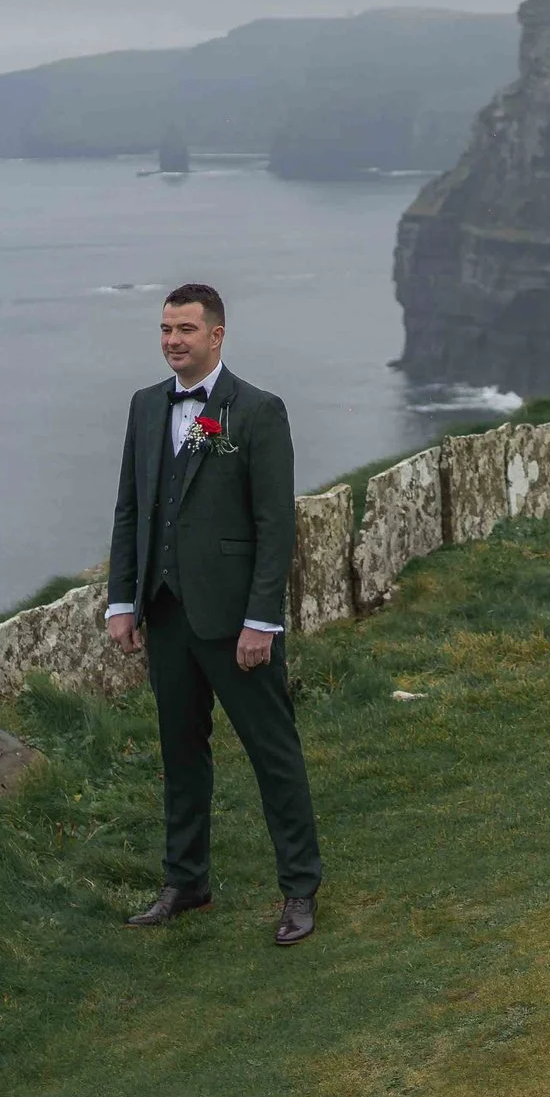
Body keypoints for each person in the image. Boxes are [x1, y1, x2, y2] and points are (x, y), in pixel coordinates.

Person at [106, 283, 323, 945]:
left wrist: (263, 619)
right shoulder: (148, 407)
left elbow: (272, 523)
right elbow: (131, 507)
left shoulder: (255, 411)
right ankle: (186, 879)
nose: (174, 340)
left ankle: (300, 887)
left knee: (272, 751)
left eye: (187, 329)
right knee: (181, 751)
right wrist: (123, 598)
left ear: (217, 336)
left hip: (235, 622)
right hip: (167, 614)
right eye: (166, 328)